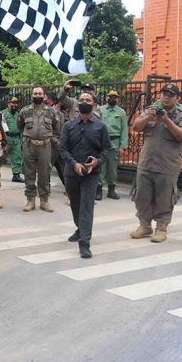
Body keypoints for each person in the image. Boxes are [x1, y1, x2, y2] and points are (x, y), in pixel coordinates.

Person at [130, 84, 182, 243]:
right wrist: (148, 117)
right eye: (164, 93)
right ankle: (145, 225)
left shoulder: (181, 115)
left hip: (167, 165)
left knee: (164, 197)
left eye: (171, 95)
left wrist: (166, 121)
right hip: (146, 162)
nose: (166, 97)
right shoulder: (151, 109)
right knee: (142, 195)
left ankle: (161, 228)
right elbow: (136, 127)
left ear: (177, 98)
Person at [59, 92, 110, 258]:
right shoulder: (68, 125)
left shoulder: (100, 126)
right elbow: (63, 149)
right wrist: (74, 164)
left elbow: (107, 149)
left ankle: (84, 242)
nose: (84, 102)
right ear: (77, 104)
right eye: (81, 100)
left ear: (94, 104)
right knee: (75, 205)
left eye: (88, 100)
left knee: (86, 207)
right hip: (71, 173)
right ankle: (80, 228)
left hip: (91, 173)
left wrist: (97, 161)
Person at [17, 85, 61, 212]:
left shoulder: (52, 112)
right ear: (32, 95)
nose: (37, 95)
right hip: (29, 145)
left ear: (44, 96)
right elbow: (20, 126)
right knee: (29, 173)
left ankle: (44, 200)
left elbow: (56, 128)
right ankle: (30, 200)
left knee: (44, 174)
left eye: (39, 93)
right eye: (35, 93)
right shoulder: (25, 111)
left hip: (45, 145)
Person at [97, 90, 128, 200]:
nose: (113, 99)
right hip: (101, 143)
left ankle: (111, 190)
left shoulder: (121, 112)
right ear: (106, 98)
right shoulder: (100, 110)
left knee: (112, 169)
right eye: (111, 97)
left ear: (118, 99)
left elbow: (124, 130)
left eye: (115, 97)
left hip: (114, 143)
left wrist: (123, 146)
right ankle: (99, 190)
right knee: (101, 167)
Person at [2, 96, 24, 182]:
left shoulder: (18, 114)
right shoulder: (3, 113)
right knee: (0, 157)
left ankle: (16, 176)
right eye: (12, 103)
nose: (14, 105)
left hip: (16, 138)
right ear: (8, 104)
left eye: (16, 103)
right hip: (6, 138)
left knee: (17, 157)